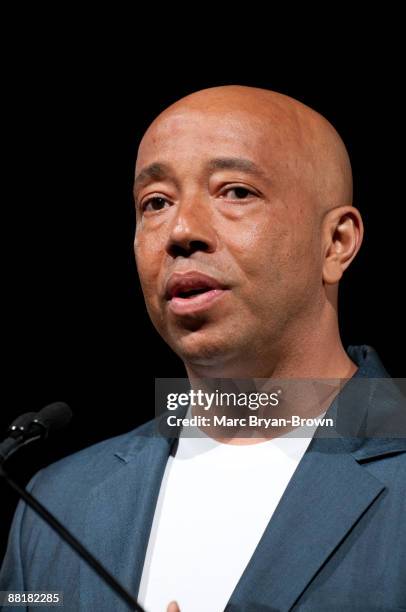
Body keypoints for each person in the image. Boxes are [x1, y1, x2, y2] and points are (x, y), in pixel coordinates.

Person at [1, 85, 405, 611]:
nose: (181, 230)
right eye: (156, 203)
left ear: (335, 244)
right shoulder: (57, 502)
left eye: (235, 191)